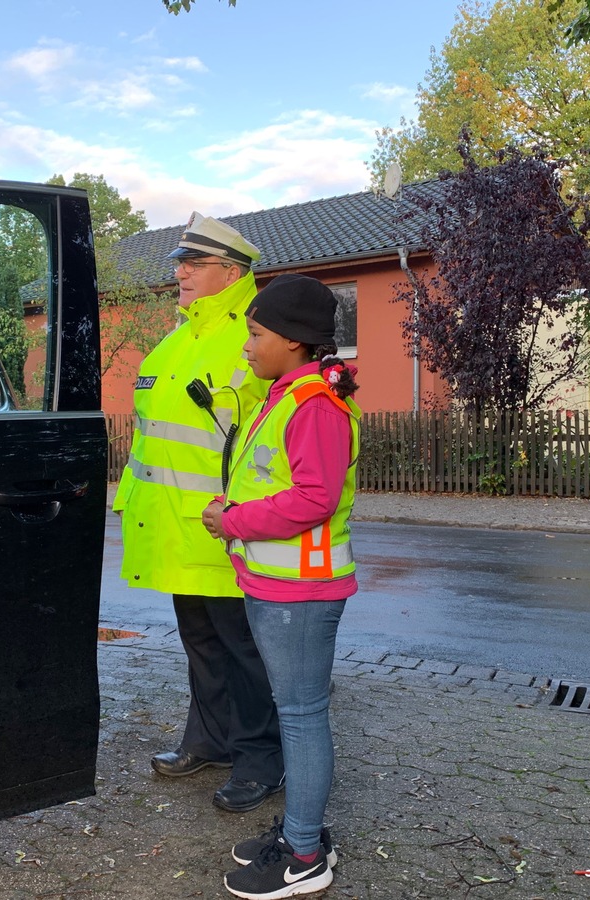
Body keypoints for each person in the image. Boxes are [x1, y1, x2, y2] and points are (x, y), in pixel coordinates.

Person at [112, 213, 284, 813]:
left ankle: (263, 760)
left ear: (231, 272)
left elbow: (272, 441)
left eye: (193, 263)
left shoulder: (254, 335)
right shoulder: (177, 338)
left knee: (245, 651)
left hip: (227, 532)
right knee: (202, 643)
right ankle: (210, 741)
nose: (179, 272)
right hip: (176, 529)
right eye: (179, 263)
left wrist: (249, 516)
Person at [202, 274, 361, 900]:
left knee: (300, 717)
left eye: (256, 333)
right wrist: (231, 508)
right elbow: (279, 482)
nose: (246, 345)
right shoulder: (287, 396)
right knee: (297, 714)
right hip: (279, 584)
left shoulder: (314, 406)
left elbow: (315, 498)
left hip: (300, 594)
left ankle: (303, 858)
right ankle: (304, 833)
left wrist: (234, 520)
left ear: (293, 341)